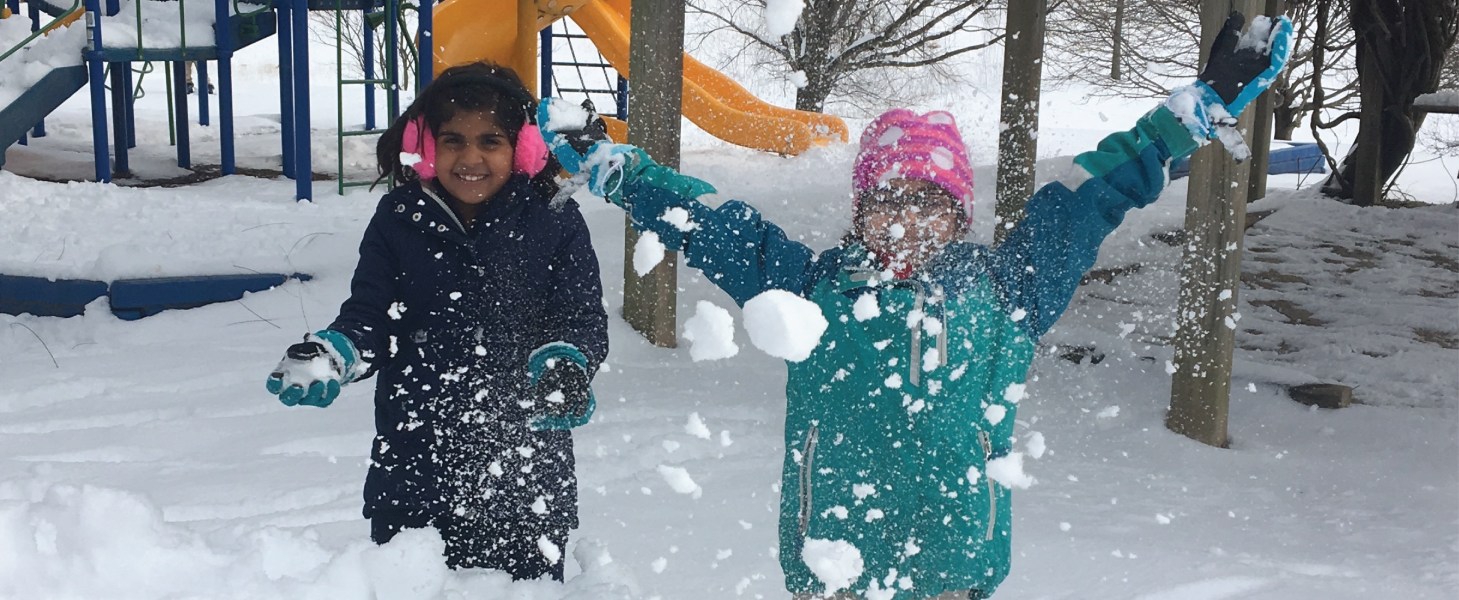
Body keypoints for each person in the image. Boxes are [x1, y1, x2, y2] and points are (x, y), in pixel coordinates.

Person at [542, 13, 1291, 599]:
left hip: (954, 571)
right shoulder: (808, 291)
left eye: (930, 203)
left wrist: (1183, 120)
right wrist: (620, 169)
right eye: (887, 202)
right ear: (859, 212)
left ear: (960, 216)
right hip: (830, 565)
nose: (906, 222)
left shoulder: (1009, 293)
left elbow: (1089, 202)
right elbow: (713, 223)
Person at [263, 62, 609, 581]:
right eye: (452, 141)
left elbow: (579, 316)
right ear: (425, 146)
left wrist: (565, 364)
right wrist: (335, 352)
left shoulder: (554, 218)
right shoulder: (400, 217)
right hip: (414, 470)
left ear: (525, 148)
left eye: (491, 141)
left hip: (524, 479)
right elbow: (370, 313)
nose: (470, 158)